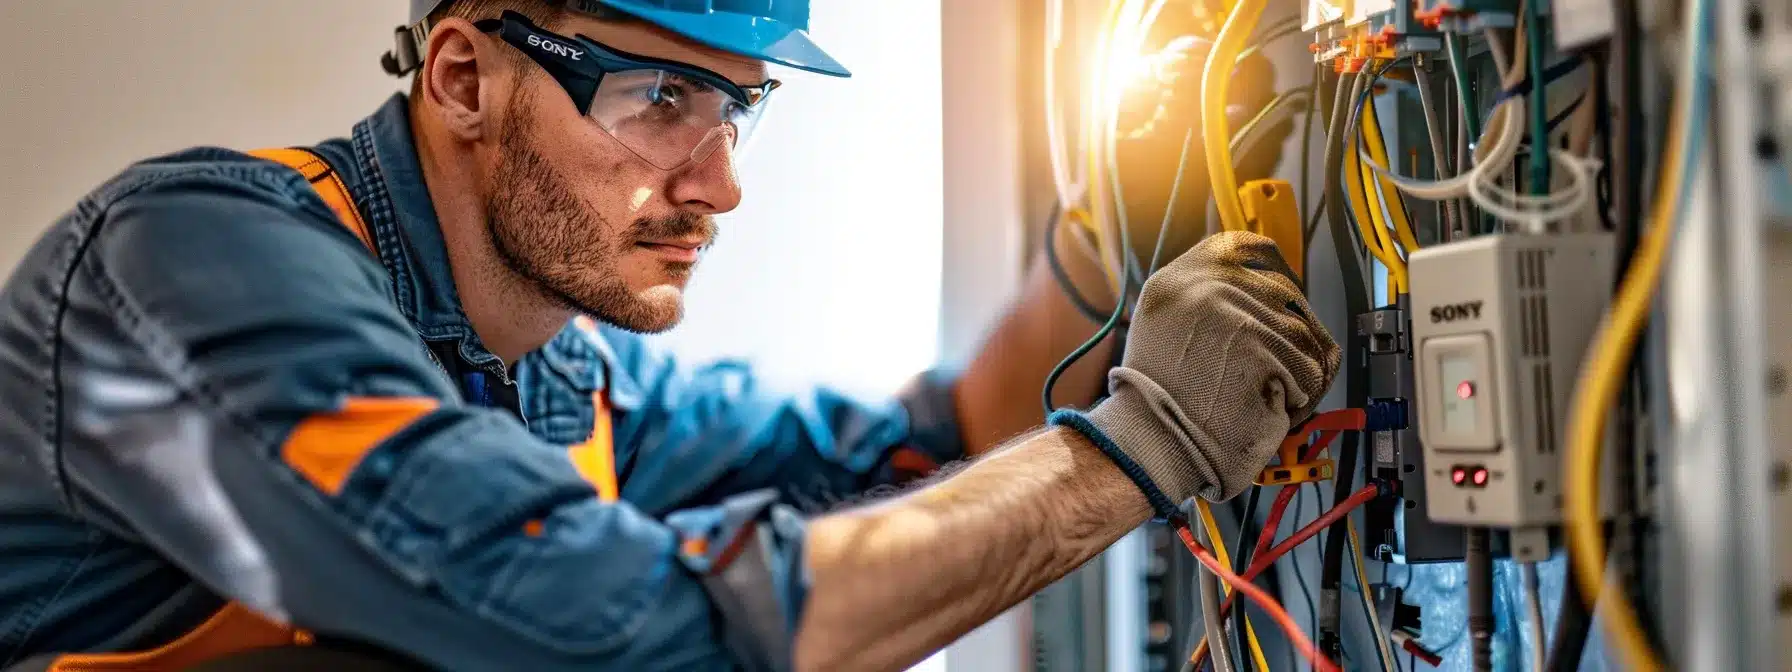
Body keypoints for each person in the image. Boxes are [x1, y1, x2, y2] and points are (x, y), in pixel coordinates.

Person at [0, 0, 1338, 670]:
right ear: (462, 75)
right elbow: (609, 629)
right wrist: (1141, 447)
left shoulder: (564, 375)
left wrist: (1109, 234)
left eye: (736, 111)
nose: (718, 183)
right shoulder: (195, 263)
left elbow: (952, 442)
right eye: (654, 97)